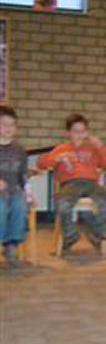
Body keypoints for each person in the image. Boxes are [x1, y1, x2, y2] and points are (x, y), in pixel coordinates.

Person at [37, 113, 106, 252]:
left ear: (87, 132)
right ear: (68, 133)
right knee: (63, 203)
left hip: (92, 183)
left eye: (83, 131)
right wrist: (56, 159)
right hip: (70, 184)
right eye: (75, 131)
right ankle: (71, 235)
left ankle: (96, 234)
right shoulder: (62, 148)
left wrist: (101, 146)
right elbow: (41, 164)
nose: (79, 134)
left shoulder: (93, 148)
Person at [0, 106, 28, 265]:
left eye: (12, 124)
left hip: (14, 188)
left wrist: (29, 194)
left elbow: (23, 176)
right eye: (4, 124)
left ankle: (12, 244)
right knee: (1, 205)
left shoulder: (20, 150)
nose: (8, 128)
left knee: (20, 203)